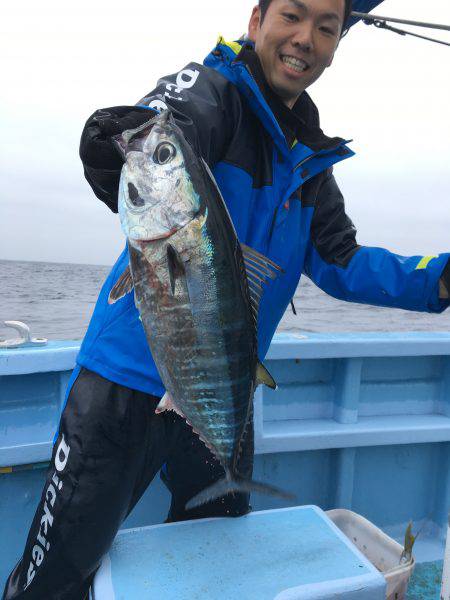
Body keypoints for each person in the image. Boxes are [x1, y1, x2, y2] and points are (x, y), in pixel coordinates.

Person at [4, 0, 450, 598]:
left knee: (213, 553)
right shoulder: (212, 94)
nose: (305, 39)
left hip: (225, 385)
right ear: (255, 21)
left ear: (338, 44)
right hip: (125, 384)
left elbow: (342, 261)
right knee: (56, 571)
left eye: (327, 28)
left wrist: (440, 280)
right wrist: (125, 141)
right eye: (291, 16)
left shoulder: (309, 161)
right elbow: (163, 127)